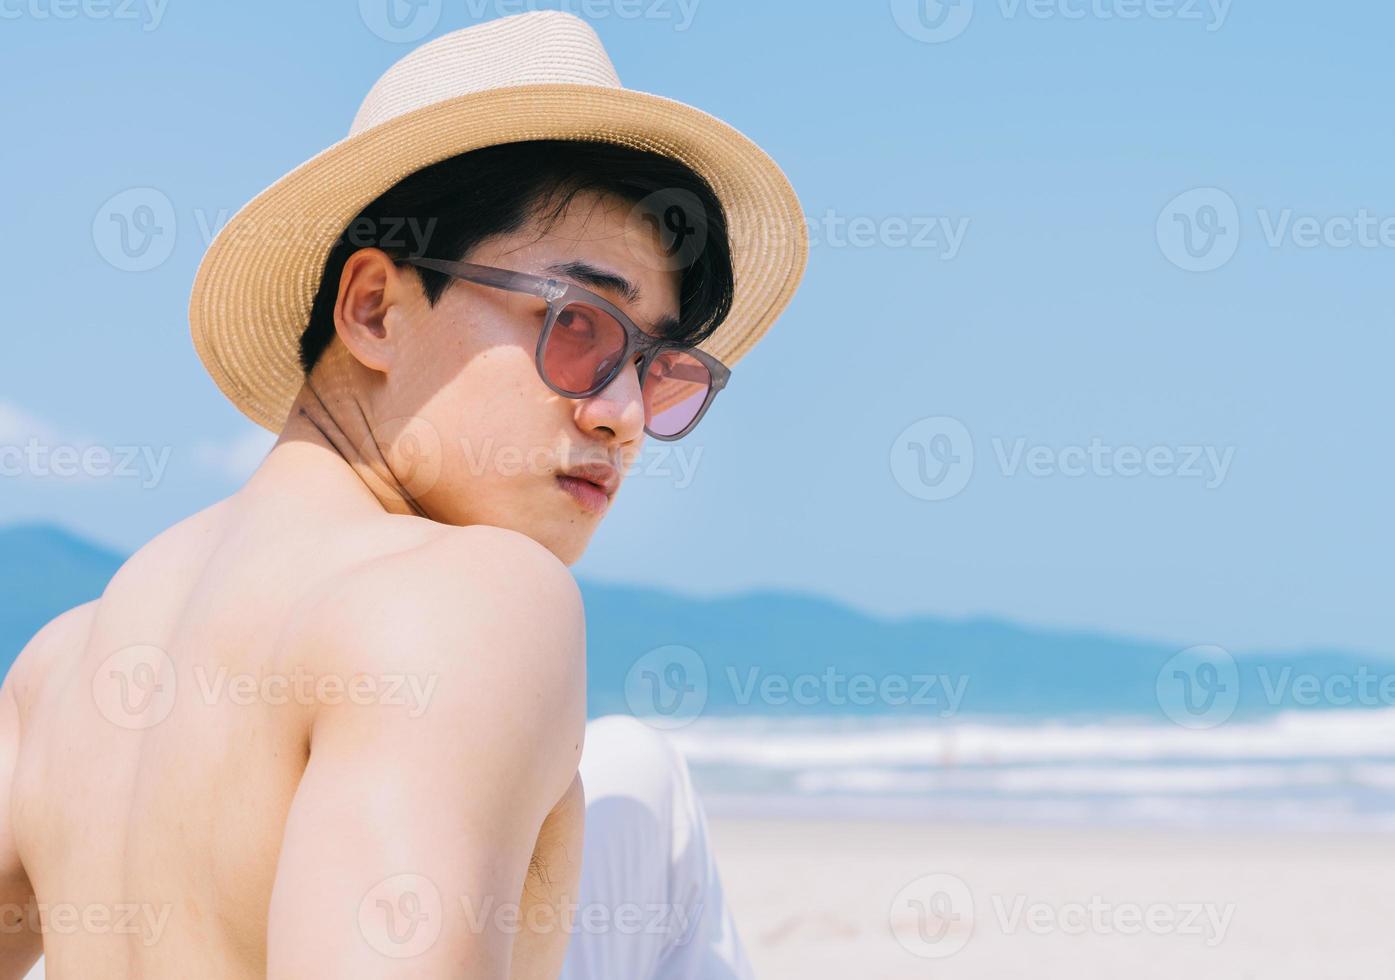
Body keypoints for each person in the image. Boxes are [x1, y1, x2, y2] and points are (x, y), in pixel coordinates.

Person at [0, 11, 804, 978]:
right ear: (375, 307)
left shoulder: (57, 669)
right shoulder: (473, 599)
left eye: (661, 368)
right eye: (579, 326)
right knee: (646, 783)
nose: (624, 414)